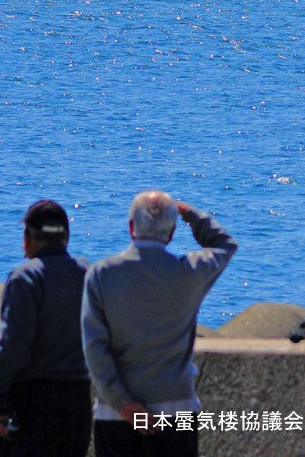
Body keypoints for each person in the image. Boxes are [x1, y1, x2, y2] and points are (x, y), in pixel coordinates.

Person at [81, 190, 237, 457]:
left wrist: (123, 403)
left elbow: (94, 349)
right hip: (177, 412)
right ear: (173, 231)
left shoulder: (102, 274)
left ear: (131, 227)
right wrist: (189, 214)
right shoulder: (189, 272)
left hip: (116, 416)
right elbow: (225, 244)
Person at [0, 200, 93, 457]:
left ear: (27, 237)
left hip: (32, 403)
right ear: (66, 237)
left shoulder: (26, 277)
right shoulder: (89, 274)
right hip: (78, 404)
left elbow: (13, 346)